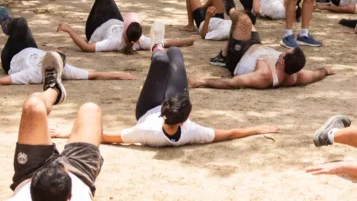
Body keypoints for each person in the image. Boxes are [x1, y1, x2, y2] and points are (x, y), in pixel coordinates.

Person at [52, 31, 279, 148]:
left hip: (146, 109)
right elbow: (228, 134)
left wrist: (67, 133)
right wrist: (258, 128)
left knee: (161, 61)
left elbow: (106, 136)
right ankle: (161, 48)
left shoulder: (146, 132)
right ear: (185, 118)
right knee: (177, 55)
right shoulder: (192, 132)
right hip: (164, 108)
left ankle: (156, 48)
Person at [189, 0, 335, 89]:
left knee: (244, 20)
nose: (282, 52)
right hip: (255, 45)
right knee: (247, 19)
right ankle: (224, 52)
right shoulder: (296, 74)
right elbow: (315, 74)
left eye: (284, 52)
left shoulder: (264, 76)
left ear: (283, 60)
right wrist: (326, 70)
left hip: (238, 57)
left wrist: (202, 82)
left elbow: (233, 83)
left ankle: (230, 9)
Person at [6, 52, 104, 200]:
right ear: (70, 197)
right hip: (78, 173)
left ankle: (54, 90)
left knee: (33, 106)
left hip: (32, 173)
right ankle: (54, 89)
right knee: (90, 109)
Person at [0, 8, 136, 88]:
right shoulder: (66, 69)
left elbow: (2, 81)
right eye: (58, 52)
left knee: (21, 24)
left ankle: (8, 25)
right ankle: (10, 25)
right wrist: (122, 74)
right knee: (24, 27)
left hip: (12, 56)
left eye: (57, 52)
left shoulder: (35, 73)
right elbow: (95, 74)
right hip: (30, 48)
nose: (58, 49)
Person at [56, 0, 195, 53]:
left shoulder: (113, 42)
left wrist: (69, 29)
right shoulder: (141, 40)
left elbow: (86, 47)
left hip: (96, 27)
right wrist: (187, 41)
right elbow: (166, 41)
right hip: (114, 19)